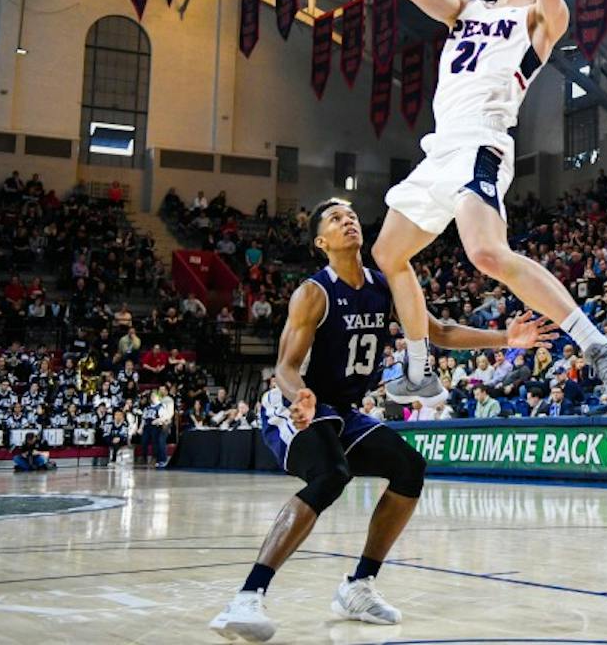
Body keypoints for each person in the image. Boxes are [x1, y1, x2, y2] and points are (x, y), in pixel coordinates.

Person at [209, 199, 556, 641]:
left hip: (344, 411)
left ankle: (358, 586)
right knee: (331, 475)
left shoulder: (386, 284)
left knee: (409, 467)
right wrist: (302, 397)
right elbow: (285, 366)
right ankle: (247, 597)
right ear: (322, 242)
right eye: (335, 218)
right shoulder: (313, 293)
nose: (348, 220)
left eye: (351, 215)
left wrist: (506, 337)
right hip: (295, 404)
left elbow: (439, 332)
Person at [370, 0, 607, 411]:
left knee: (487, 255)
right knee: (388, 254)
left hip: (481, 140)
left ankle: (600, 347)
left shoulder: (541, 21)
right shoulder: (467, 9)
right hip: (440, 148)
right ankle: (420, 372)